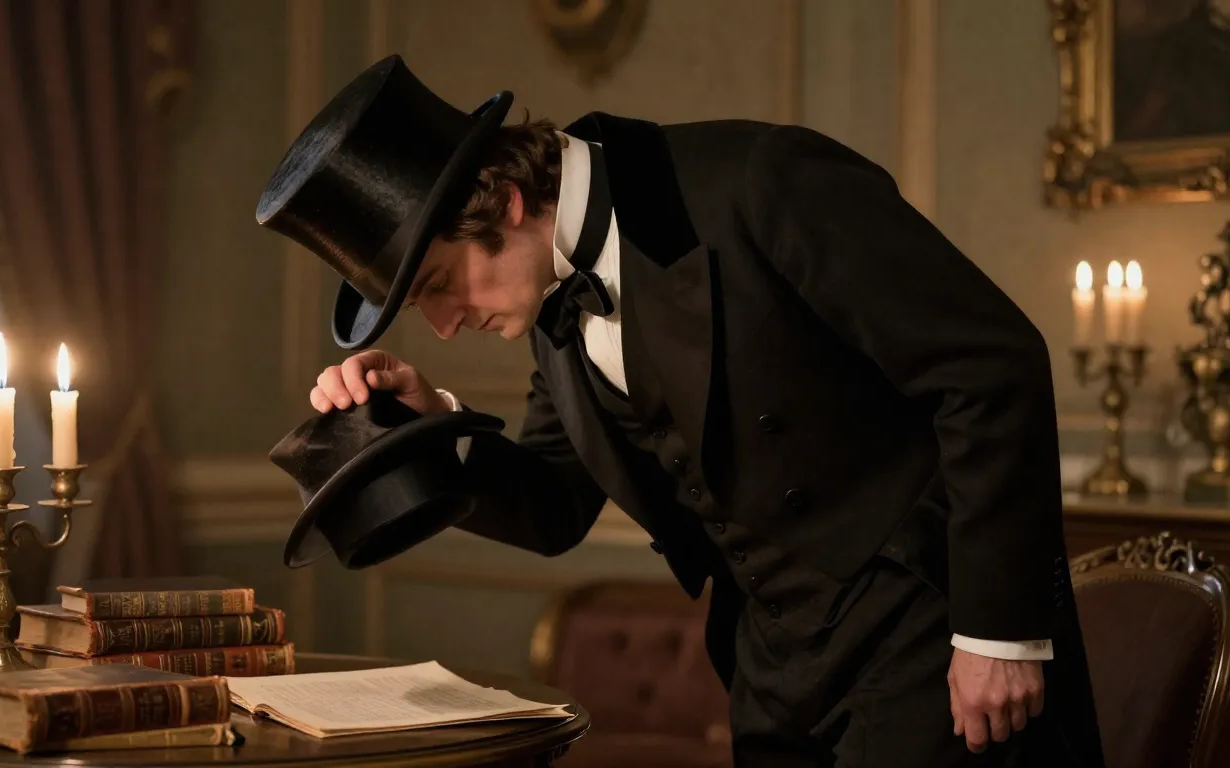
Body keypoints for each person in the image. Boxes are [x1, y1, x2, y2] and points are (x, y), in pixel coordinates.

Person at [258, 55, 1105, 767]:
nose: (445, 325)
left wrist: (997, 634)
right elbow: (555, 506)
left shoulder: (760, 181)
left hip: (926, 635)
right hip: (769, 672)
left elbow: (988, 367)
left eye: (441, 285)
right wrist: (426, 428)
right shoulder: (551, 311)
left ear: (505, 201)